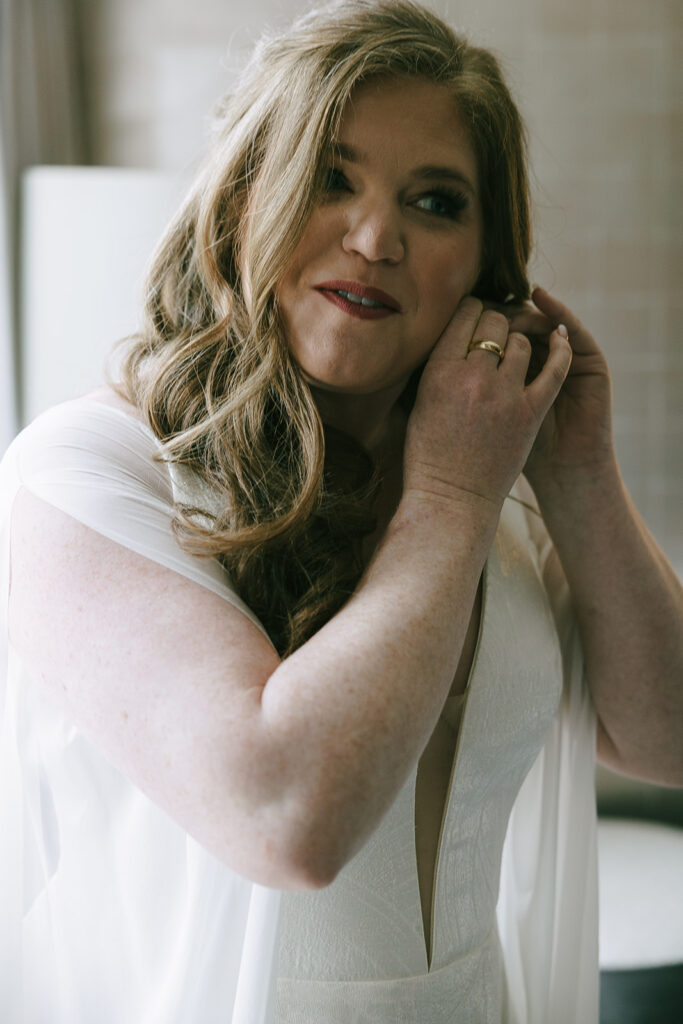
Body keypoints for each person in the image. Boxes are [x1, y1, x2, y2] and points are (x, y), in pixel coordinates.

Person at [1, 1, 681, 1021]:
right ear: (241, 202)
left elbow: (666, 737)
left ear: (487, 265)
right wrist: (451, 492)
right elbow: (285, 819)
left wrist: (577, 470)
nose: (375, 238)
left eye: (435, 201)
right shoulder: (86, 474)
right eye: (330, 178)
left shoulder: (489, 489)